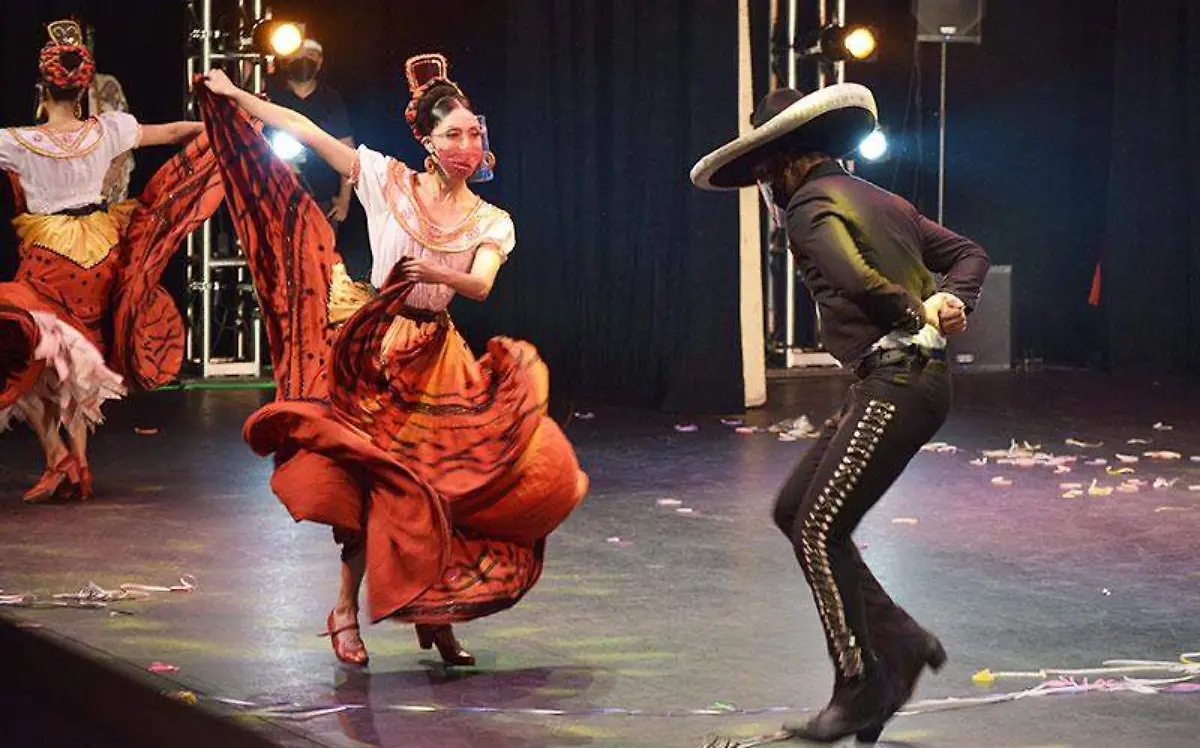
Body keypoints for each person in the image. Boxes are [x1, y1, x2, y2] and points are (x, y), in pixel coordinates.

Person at [198, 52, 586, 667]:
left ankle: (437, 613)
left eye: (474, 133)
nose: (467, 145)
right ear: (428, 141)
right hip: (376, 351)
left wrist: (436, 273)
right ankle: (344, 610)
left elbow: (481, 285)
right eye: (453, 134)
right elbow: (305, 130)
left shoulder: (490, 219)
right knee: (375, 485)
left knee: (446, 488)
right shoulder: (386, 180)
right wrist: (234, 94)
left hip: (437, 355)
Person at [691, 85, 990, 742]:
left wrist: (920, 313)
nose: (765, 187)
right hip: (899, 382)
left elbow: (856, 279)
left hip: (899, 381)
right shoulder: (883, 200)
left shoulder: (806, 207)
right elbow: (970, 254)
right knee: (793, 509)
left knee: (818, 527)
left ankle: (859, 683)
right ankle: (900, 638)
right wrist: (952, 299)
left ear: (785, 161)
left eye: (764, 172)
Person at [0, 19, 221, 503]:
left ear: (42, 89)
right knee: (79, 358)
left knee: (29, 353)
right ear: (83, 89)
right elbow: (175, 132)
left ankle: (58, 457)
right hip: (100, 255)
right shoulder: (108, 130)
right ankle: (77, 464)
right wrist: (228, 127)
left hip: (51, 256)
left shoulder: (16, 141)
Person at [265, 39, 355, 225]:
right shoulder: (271, 94)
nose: (303, 60)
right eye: (297, 55)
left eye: (310, 55)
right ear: (286, 59)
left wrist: (344, 200)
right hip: (276, 197)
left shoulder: (330, 99)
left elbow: (346, 149)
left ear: (320, 62)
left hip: (322, 199)